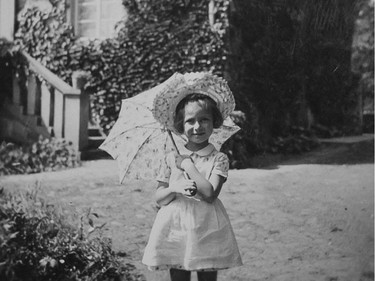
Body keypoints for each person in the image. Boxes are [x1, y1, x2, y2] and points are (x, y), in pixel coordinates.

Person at [142, 72, 242, 281]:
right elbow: (160, 198)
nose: (197, 126)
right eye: (190, 121)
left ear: (214, 121)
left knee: (206, 274)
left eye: (204, 119)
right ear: (180, 125)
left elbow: (209, 194)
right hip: (175, 226)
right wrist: (174, 188)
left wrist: (189, 165)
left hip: (206, 226)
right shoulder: (172, 158)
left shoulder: (218, 158)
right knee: (179, 273)